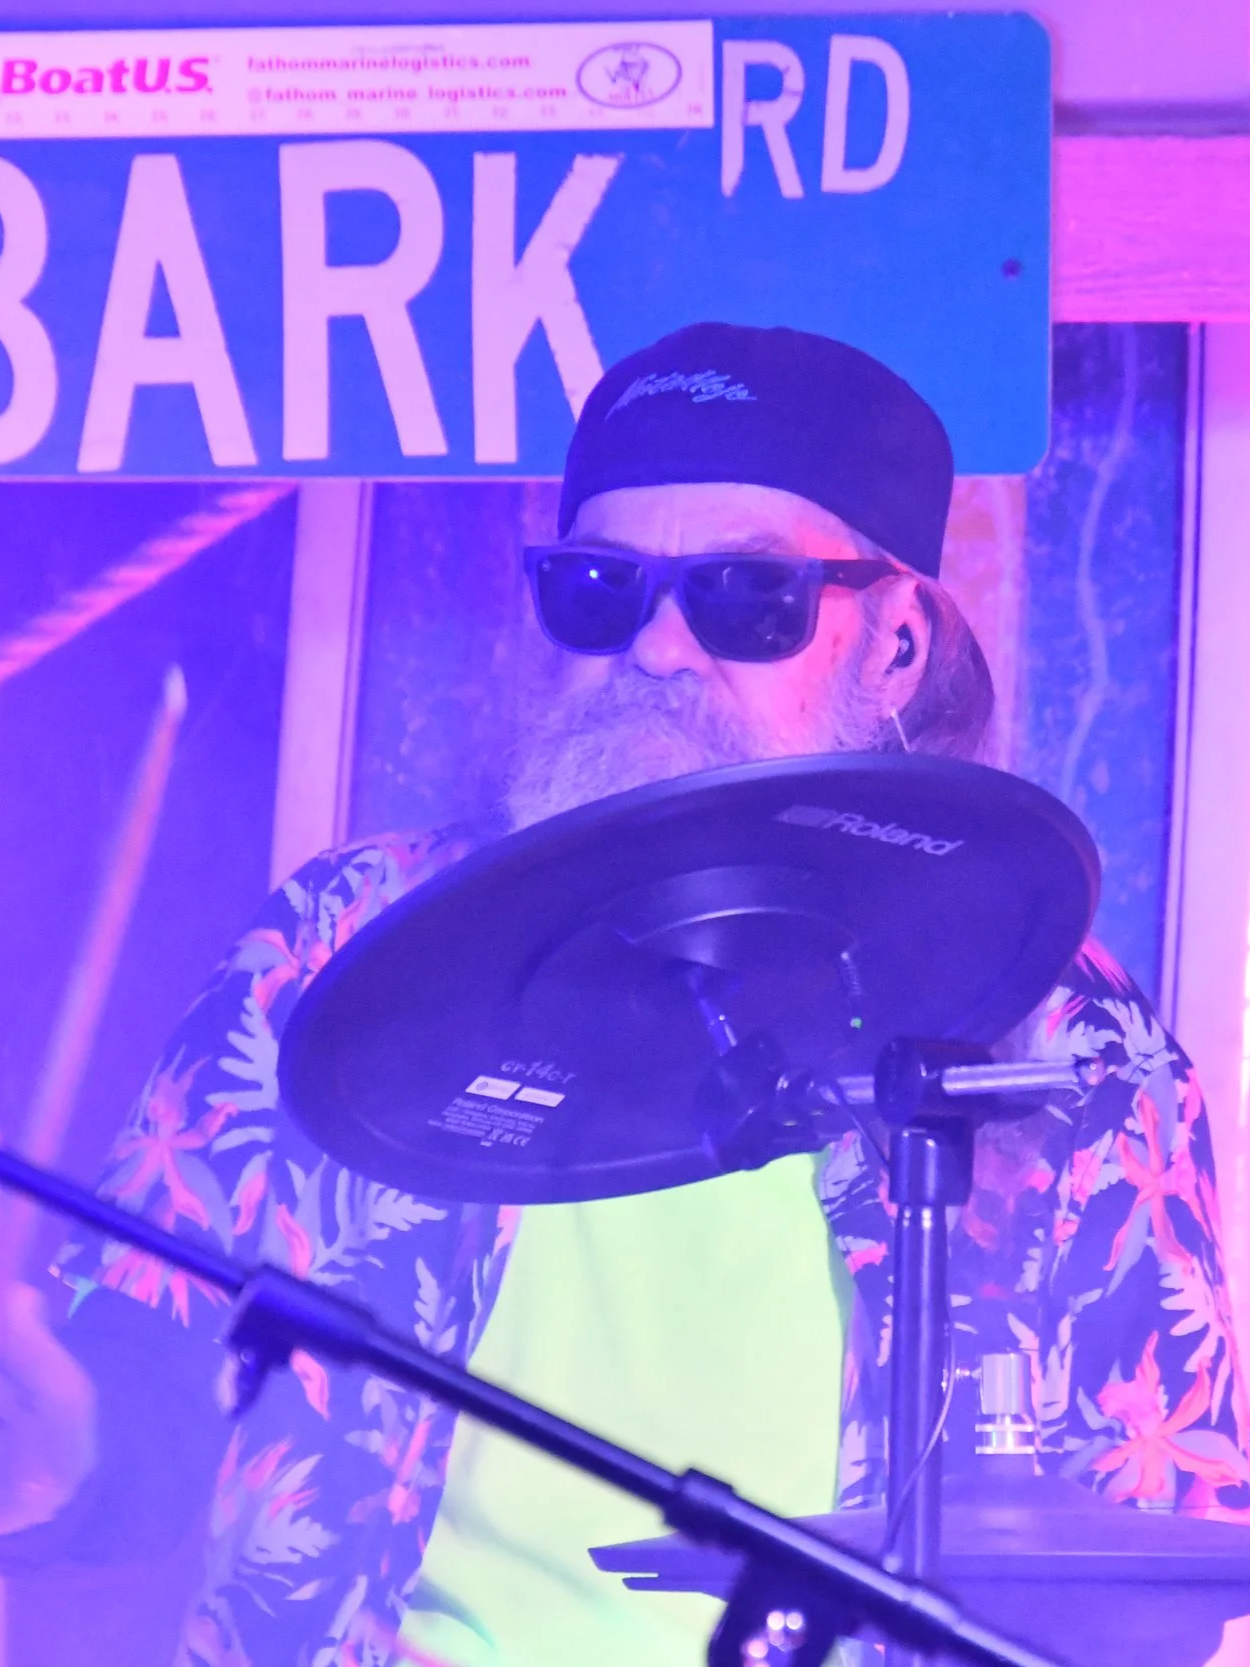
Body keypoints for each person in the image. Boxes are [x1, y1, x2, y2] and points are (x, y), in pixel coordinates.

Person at [0, 324, 1245, 1667]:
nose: (656, 647)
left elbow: (1151, 1549)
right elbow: (138, 1401)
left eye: (744, 598)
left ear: (893, 646)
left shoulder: (1061, 1039)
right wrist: (58, 1436)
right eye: (598, 590)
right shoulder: (342, 940)